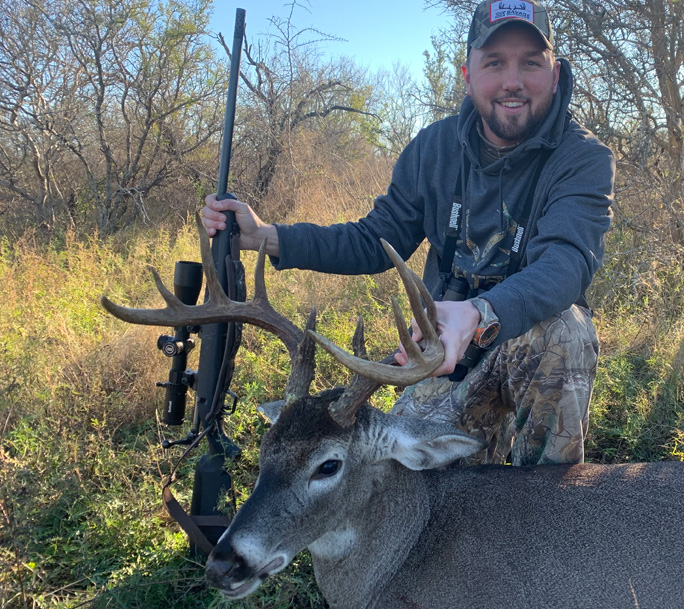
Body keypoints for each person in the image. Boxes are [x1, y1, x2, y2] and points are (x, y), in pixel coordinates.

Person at [200, 0, 614, 466]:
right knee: (399, 478)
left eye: (531, 63)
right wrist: (268, 237)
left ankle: (548, 498)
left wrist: (478, 313)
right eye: (495, 63)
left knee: (564, 332)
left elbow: (566, 262)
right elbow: (374, 239)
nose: (512, 81)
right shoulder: (434, 148)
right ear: (468, 75)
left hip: (527, 346)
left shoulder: (583, 158)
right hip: (443, 359)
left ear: (555, 75)